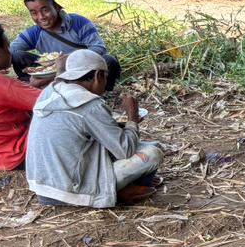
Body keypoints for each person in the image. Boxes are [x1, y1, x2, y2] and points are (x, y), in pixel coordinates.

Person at [25, 50, 163, 207]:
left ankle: (123, 184)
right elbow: (125, 149)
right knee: (153, 152)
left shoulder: (50, 90)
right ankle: (116, 190)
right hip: (72, 191)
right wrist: (132, 116)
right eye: (105, 76)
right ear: (98, 75)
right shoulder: (90, 106)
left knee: (121, 145)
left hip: (42, 186)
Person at [12, 0, 121, 90]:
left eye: (45, 10)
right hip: (52, 70)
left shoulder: (78, 23)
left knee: (109, 61)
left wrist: (70, 59)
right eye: (34, 13)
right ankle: (47, 86)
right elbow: (11, 51)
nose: (41, 17)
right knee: (18, 56)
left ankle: (93, 90)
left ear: (56, 7)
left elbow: (99, 48)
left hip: (82, 70)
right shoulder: (35, 33)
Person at [0, 20, 42, 171]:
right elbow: (51, 101)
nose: (10, 51)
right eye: (7, 46)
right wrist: (58, 75)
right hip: (20, 153)